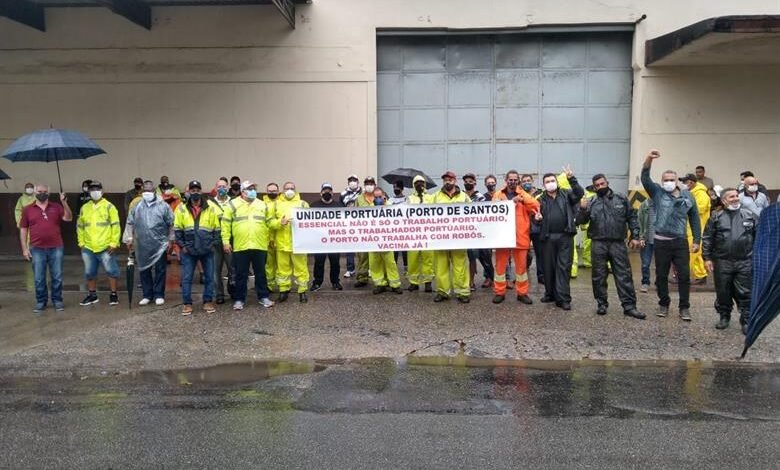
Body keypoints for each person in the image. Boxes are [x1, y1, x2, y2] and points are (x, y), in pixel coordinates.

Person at [641, 150, 701, 320]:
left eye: (671, 180)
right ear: (662, 182)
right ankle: (663, 304)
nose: (668, 182)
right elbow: (645, 177)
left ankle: (684, 307)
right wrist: (649, 160)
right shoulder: (657, 193)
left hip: (680, 242)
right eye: (665, 180)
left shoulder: (687, 195)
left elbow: (694, 217)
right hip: (661, 242)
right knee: (661, 275)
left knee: (684, 275)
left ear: (677, 181)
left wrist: (697, 240)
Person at [576, 174, 645, 319]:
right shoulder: (591, 202)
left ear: (607, 182)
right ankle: (601, 304)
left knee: (624, 275)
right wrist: (582, 209)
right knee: (598, 276)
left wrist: (635, 236)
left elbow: (632, 217)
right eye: (597, 185)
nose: (600, 186)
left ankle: (629, 306)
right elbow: (581, 222)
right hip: (598, 243)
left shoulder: (621, 199)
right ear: (594, 187)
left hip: (617, 243)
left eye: (602, 183)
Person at [702, 188, 756, 332]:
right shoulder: (716, 217)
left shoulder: (750, 215)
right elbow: (707, 238)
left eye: (737, 196)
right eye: (731, 197)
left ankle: (746, 321)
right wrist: (707, 258)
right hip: (722, 261)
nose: (735, 198)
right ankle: (724, 317)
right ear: (724, 200)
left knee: (745, 292)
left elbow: (759, 238)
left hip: (745, 261)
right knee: (723, 291)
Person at [534, 166, 584, 310]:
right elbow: (535, 217)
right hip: (547, 237)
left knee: (563, 267)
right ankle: (550, 293)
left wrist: (571, 178)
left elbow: (579, 193)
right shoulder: (540, 199)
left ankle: (563, 298)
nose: (550, 183)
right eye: (547, 181)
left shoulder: (566, 194)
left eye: (552, 180)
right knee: (548, 267)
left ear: (557, 182)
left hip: (564, 236)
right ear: (544, 185)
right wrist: (537, 219)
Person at [221, 181, 274, 311]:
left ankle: (263, 297)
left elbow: (270, 223)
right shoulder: (232, 204)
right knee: (241, 274)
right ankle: (239, 299)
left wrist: (280, 223)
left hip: (259, 245)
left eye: (254, 188)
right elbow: (225, 224)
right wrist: (226, 241)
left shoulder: (262, 204)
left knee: (261, 273)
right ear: (243, 191)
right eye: (249, 189)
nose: (252, 191)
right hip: (241, 246)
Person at [19, 184, 72, 313]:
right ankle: (41, 301)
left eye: (45, 191)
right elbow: (23, 229)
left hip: (56, 247)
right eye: (39, 191)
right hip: (37, 248)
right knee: (38, 277)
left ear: (49, 193)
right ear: (35, 192)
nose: (42, 193)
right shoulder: (27, 209)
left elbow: (69, 218)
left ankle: (57, 300)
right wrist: (24, 248)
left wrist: (64, 203)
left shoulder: (56, 207)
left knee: (57, 276)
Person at [491, 170, 539, 305]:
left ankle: (522, 293)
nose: (512, 182)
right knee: (500, 267)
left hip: (520, 235)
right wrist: (511, 202)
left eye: (515, 179)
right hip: (502, 237)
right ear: (506, 180)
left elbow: (536, 206)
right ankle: (499, 292)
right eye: (510, 179)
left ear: (518, 180)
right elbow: (491, 211)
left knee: (521, 268)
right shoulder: (498, 194)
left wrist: (523, 199)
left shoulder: (523, 194)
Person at [124, 180, 173, 307]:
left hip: (159, 244)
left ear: (154, 191)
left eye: (150, 190)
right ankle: (147, 295)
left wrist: (170, 240)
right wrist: (129, 238)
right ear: (142, 192)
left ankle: (159, 294)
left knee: (160, 269)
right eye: (145, 190)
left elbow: (171, 224)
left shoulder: (163, 206)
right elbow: (130, 222)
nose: (147, 193)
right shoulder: (137, 206)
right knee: (144, 269)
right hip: (142, 244)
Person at [174, 180, 220, 316]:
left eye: (197, 190)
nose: (195, 192)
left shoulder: (210, 208)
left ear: (201, 191)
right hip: (189, 251)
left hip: (207, 250)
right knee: (187, 278)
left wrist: (212, 245)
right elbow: (177, 230)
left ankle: (207, 301)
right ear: (188, 192)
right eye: (192, 190)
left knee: (210, 277)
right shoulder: (181, 208)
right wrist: (183, 246)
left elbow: (217, 229)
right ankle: (187, 304)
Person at [77, 181, 121, 306]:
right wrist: (81, 243)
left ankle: (113, 295)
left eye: (97, 189)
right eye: (92, 189)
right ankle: (92, 295)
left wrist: (114, 243)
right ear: (89, 192)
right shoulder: (85, 207)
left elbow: (116, 226)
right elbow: (80, 226)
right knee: (89, 272)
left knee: (111, 271)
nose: (94, 191)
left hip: (105, 246)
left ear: (102, 191)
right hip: (88, 247)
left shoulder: (109, 206)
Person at [432, 171, 471, 303]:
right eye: (445, 180)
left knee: (460, 265)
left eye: (450, 179)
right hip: (441, 238)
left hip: (458, 237)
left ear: (455, 180)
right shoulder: (436, 196)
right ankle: (443, 292)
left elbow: (474, 214)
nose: (447, 181)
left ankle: (463, 292)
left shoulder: (464, 197)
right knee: (441, 266)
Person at [271, 181, 310, 303]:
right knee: (282, 269)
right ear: (282, 190)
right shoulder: (276, 204)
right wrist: (279, 223)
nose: (289, 190)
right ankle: (283, 290)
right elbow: (270, 222)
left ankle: (302, 291)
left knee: (301, 268)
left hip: (298, 244)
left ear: (295, 189)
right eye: (287, 188)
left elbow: (311, 223)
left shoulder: (303, 204)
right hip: (281, 243)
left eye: (292, 188)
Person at [368, 187, 403, 294]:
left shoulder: (391, 207)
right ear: (372, 197)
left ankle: (395, 284)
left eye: (380, 197)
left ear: (384, 196)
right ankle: (380, 284)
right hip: (373, 240)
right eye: (376, 197)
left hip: (387, 240)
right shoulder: (369, 209)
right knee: (375, 263)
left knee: (390, 263)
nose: (378, 199)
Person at [462, 173, 494, 290]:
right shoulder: (460, 195)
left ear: (475, 183)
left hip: (478, 231)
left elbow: (485, 213)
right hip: (463, 231)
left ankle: (491, 278)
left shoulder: (480, 197)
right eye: (466, 181)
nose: (468, 183)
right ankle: (471, 282)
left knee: (484, 257)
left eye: (470, 181)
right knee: (470, 257)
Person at [310, 183, 344, 291]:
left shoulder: (339, 206)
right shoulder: (314, 205)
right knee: (319, 263)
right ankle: (317, 283)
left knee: (335, 262)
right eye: (325, 190)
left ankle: (335, 282)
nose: (327, 192)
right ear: (321, 193)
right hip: (319, 240)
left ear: (332, 193)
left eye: (329, 190)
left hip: (334, 240)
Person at [680, 173, 710, 285]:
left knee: (691, 253)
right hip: (690, 227)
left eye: (684, 182)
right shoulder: (691, 193)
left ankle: (682, 275)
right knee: (696, 254)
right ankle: (701, 275)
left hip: (698, 227)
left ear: (691, 182)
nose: (683, 184)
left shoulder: (701, 194)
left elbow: (698, 210)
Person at [406, 175, 434, 293]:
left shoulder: (431, 198)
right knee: (413, 259)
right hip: (414, 233)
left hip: (427, 232)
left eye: (421, 182)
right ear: (413, 185)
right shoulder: (410, 198)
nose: (419, 184)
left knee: (428, 259)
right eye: (417, 182)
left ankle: (428, 283)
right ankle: (414, 282)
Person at [209, 177, 234, 304]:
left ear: (228, 187)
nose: (222, 189)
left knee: (232, 269)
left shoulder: (234, 202)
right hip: (215, 241)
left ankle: (232, 290)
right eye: (219, 186)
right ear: (215, 188)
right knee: (215, 270)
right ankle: (219, 294)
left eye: (224, 186)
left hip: (231, 240)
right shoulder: (209, 203)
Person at [353, 176, 377, 288]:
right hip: (363, 232)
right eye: (367, 183)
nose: (369, 185)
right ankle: (362, 278)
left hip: (378, 232)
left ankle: (379, 279)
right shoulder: (359, 199)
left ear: (375, 184)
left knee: (377, 256)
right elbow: (353, 215)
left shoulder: (380, 196)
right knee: (362, 256)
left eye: (371, 183)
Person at [521, 174, 544, 284]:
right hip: (523, 228)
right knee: (524, 253)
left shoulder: (540, 194)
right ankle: (522, 274)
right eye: (524, 181)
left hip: (537, 228)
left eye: (528, 180)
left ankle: (541, 275)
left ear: (532, 181)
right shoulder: (519, 195)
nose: (526, 183)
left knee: (540, 253)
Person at [340, 174, 362, 278]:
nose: (352, 182)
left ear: (358, 181)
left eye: (354, 180)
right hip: (348, 223)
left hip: (362, 224)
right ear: (348, 182)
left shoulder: (363, 193)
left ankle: (366, 269)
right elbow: (340, 208)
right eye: (350, 180)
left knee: (364, 246)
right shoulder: (343, 194)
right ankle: (350, 269)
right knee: (349, 247)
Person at [263, 182, 281, 293]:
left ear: (278, 191)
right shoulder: (261, 203)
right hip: (266, 238)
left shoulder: (282, 203)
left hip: (280, 237)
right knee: (268, 265)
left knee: (281, 264)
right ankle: (269, 285)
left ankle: (281, 285)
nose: (272, 192)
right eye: (270, 191)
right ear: (266, 192)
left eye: (274, 191)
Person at [637, 198, 656, 293]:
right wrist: (640, 237)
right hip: (647, 239)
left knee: (662, 264)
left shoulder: (664, 204)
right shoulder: (644, 205)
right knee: (645, 264)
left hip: (661, 239)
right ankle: (645, 283)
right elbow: (639, 222)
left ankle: (659, 283)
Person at [389, 180, 408, 272]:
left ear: (402, 188)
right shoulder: (390, 200)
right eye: (394, 187)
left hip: (404, 229)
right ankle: (394, 268)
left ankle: (406, 268)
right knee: (394, 250)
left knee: (405, 250)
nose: (395, 189)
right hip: (394, 229)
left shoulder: (407, 200)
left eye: (397, 187)